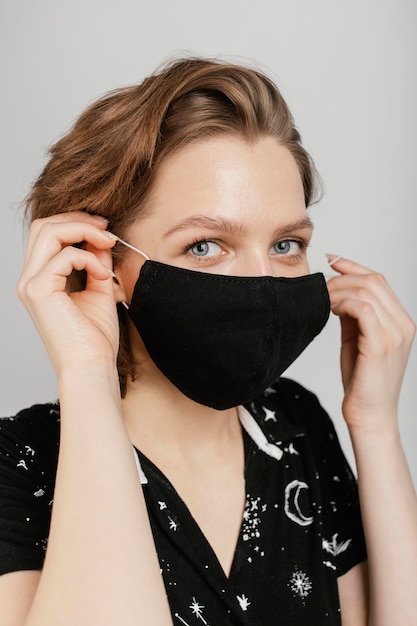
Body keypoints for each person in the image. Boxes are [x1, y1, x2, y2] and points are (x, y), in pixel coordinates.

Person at [0, 56, 416, 626]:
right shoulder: (17, 465)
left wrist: (375, 424)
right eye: (205, 245)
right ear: (107, 260)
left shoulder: (296, 425)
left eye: (287, 244)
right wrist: (83, 369)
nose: (260, 282)